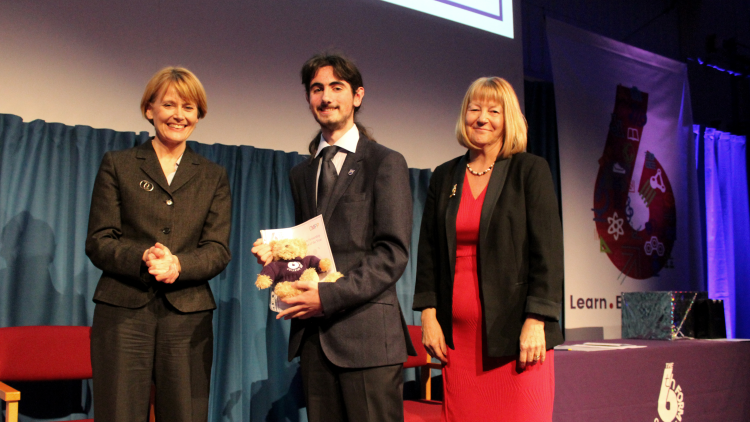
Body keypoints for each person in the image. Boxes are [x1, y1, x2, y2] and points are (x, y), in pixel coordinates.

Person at [251, 53, 415, 422]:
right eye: (317, 89)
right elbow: (310, 249)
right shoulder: (301, 173)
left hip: (368, 340)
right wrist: (278, 256)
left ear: (357, 96)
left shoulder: (385, 162)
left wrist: (327, 296)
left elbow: (393, 253)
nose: (326, 97)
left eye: (336, 87)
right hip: (314, 341)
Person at [412, 77, 564, 422]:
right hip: (458, 340)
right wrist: (428, 314)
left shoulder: (530, 170)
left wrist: (536, 320)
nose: (482, 118)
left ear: (508, 119)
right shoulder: (444, 176)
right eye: (474, 109)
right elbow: (429, 252)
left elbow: (548, 254)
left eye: (493, 110)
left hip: (517, 336)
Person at [86, 67, 232, 422]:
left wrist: (178, 264)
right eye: (169, 104)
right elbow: (99, 240)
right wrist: (144, 257)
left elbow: (217, 249)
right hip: (123, 311)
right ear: (149, 109)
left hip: (188, 317)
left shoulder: (213, 176)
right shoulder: (118, 164)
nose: (178, 115)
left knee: (186, 414)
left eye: (188, 107)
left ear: (199, 115)